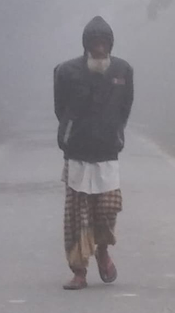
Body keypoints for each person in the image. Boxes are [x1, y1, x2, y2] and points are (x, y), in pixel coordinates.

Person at [54, 16, 134, 290]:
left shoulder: (123, 71)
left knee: (107, 210)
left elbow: (125, 109)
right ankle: (79, 271)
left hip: (108, 154)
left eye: (104, 44)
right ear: (87, 45)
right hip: (77, 153)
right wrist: (71, 132)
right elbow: (60, 109)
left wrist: (113, 132)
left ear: (110, 45)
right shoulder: (66, 71)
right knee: (77, 216)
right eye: (95, 44)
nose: (100, 49)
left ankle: (102, 250)